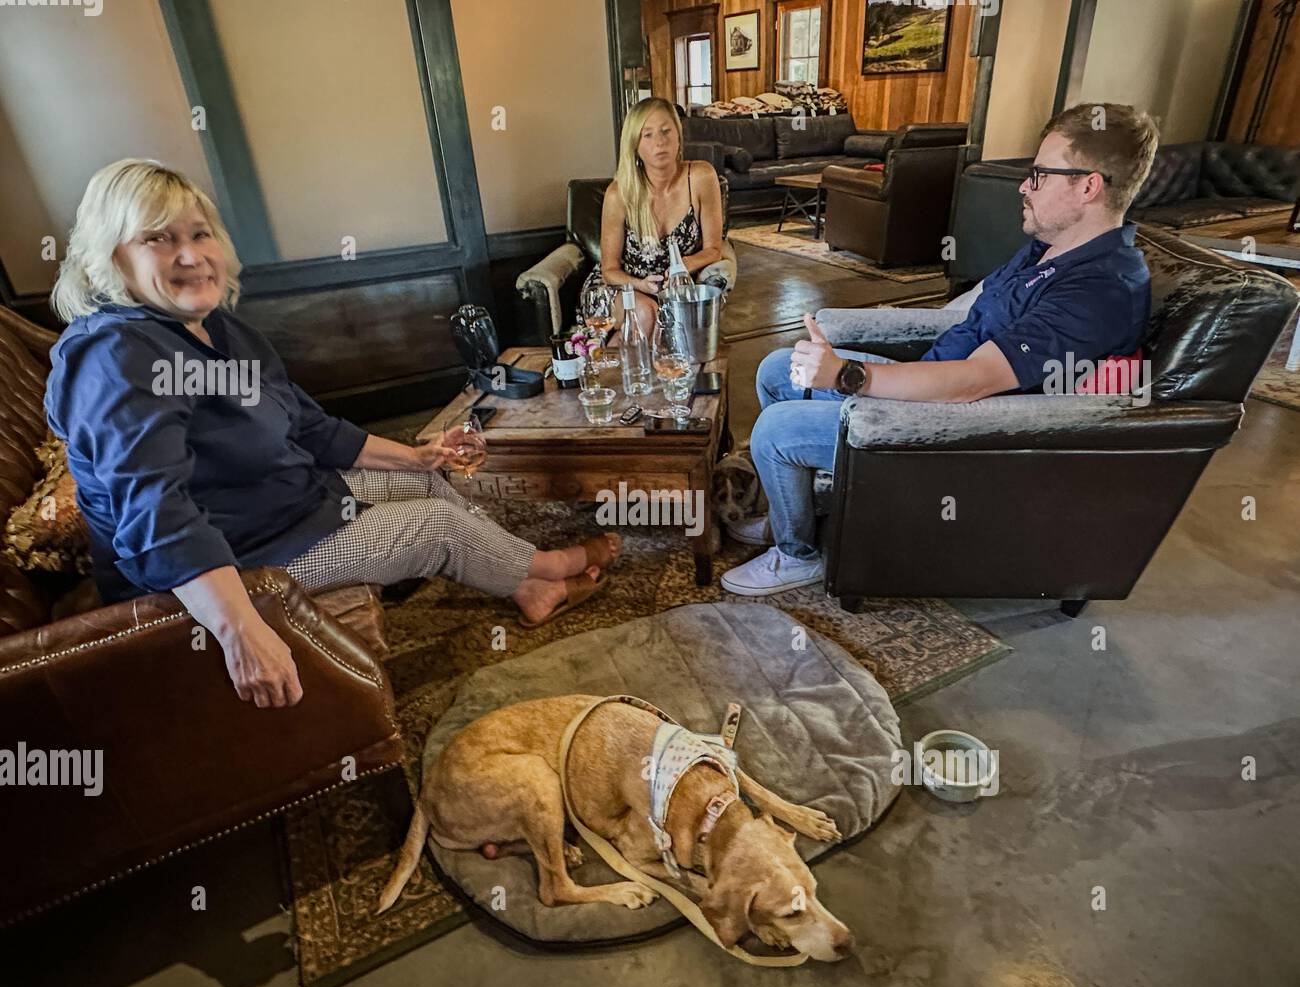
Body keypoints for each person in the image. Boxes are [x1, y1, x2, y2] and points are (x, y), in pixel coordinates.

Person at [46, 159, 621, 709]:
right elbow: (154, 515)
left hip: (286, 501)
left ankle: (530, 581)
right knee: (437, 525)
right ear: (110, 257)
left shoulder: (217, 329)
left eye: (200, 234)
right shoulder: (117, 356)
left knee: (429, 487)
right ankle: (541, 570)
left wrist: (417, 457)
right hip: (237, 560)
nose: (191, 256)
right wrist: (240, 629)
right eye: (158, 239)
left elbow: (309, 426)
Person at [722, 102, 1160, 597]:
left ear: (1088, 186)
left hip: (956, 434)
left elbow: (974, 382)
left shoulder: (1098, 290)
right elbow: (971, 310)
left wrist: (850, 376)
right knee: (779, 369)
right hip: (933, 385)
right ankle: (794, 507)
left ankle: (797, 554)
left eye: (1038, 175)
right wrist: (881, 330)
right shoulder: (1053, 247)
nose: (1023, 186)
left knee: (775, 430)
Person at [594, 96, 724, 340]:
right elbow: (609, 270)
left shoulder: (701, 176)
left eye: (666, 131)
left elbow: (715, 250)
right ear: (634, 144)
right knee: (646, 313)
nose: (660, 142)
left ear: (678, 136)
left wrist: (682, 266)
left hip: (675, 289)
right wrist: (641, 285)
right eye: (648, 135)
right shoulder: (618, 193)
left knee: (656, 316)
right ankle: (616, 373)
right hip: (623, 286)